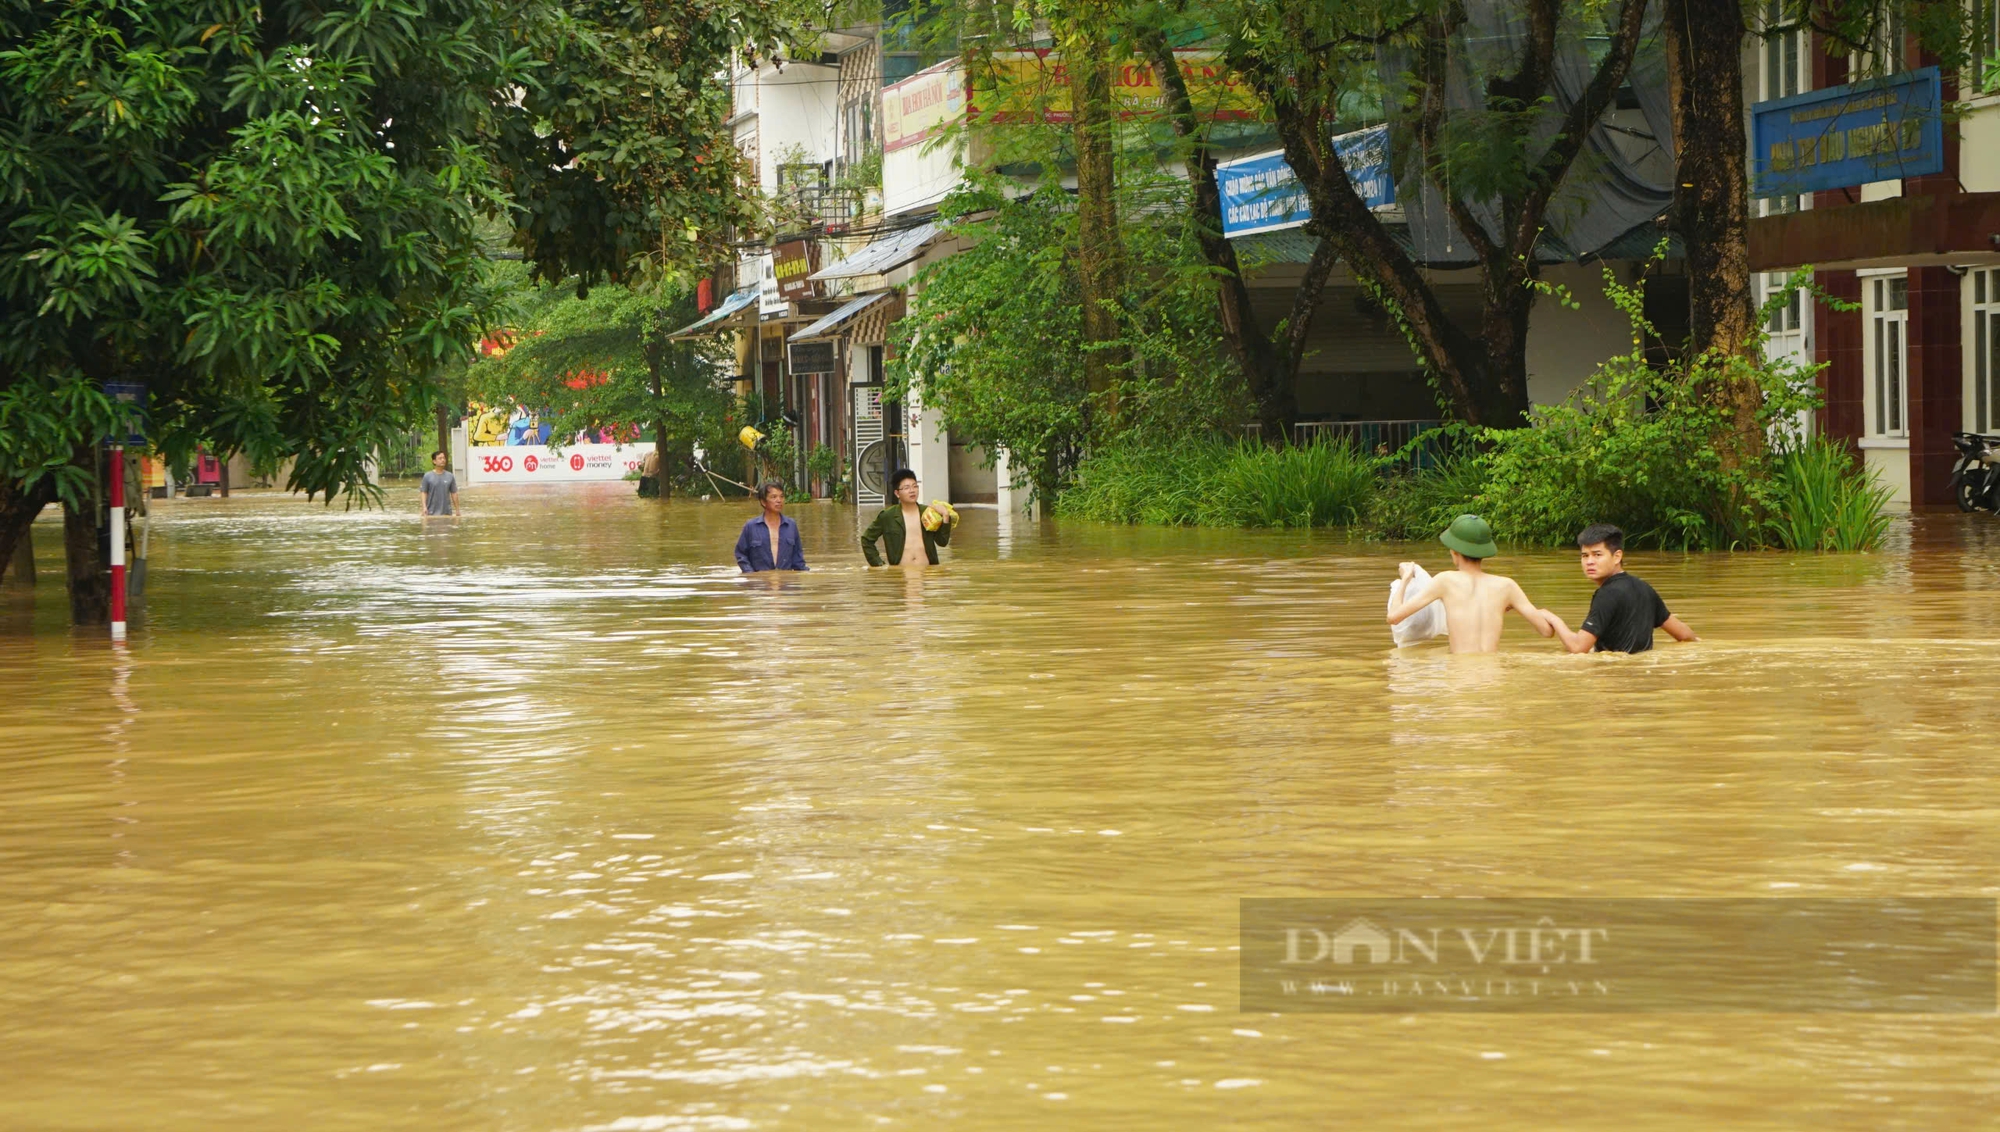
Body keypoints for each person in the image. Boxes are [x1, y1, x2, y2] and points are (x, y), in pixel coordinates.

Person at [1386, 514, 1554, 654]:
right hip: (1493, 677)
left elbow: (1394, 617)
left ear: (1454, 551)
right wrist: (1540, 612)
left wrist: (1406, 579)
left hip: (1460, 678)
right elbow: (1546, 631)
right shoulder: (1507, 586)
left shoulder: (1445, 581)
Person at [1540, 524, 1698, 653]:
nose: (1589, 562)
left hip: (1613, 678)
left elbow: (1578, 647)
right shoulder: (1645, 588)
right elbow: (1686, 636)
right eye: (1584, 555)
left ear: (1617, 556)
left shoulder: (1606, 594)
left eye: (1597, 555)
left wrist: (1554, 619)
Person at [862, 469, 953, 567]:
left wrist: (945, 516)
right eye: (906, 488)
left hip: (927, 574)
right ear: (897, 493)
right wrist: (878, 564)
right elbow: (867, 540)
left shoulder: (928, 513)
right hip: (900, 576)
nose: (912, 490)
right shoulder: (888, 516)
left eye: (915, 486)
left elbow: (942, 542)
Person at [735, 482, 806, 572]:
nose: (779, 500)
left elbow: (798, 559)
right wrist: (751, 575)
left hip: (786, 583)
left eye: (781, 496)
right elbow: (741, 554)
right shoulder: (751, 526)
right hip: (759, 583)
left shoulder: (791, 525)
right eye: (774, 497)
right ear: (763, 502)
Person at [418, 451, 459, 521]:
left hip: (447, 513)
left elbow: (454, 493)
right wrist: (424, 507)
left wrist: (457, 509)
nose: (443, 460)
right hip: (431, 513)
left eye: (444, 458)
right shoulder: (427, 476)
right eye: (440, 458)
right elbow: (424, 492)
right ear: (434, 461)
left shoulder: (450, 476)